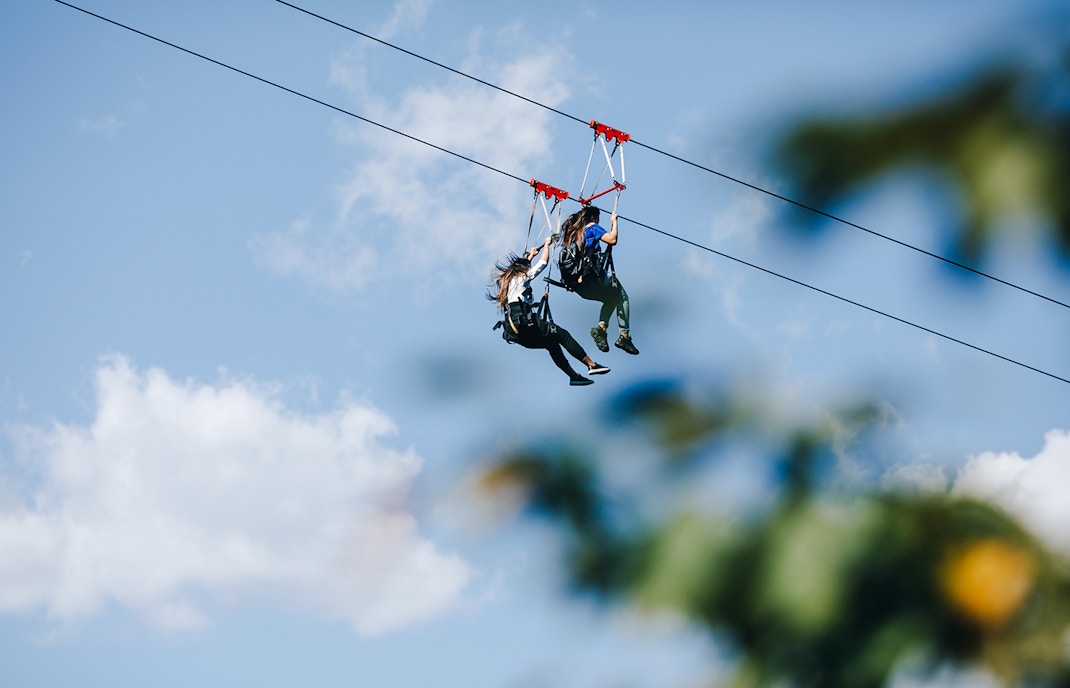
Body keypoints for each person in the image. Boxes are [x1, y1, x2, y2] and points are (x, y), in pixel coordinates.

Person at [490, 236, 611, 386]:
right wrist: (547, 245)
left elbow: (523, 270)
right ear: (522, 270)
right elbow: (543, 263)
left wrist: (530, 256)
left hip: (517, 333)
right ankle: (591, 365)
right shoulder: (521, 279)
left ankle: (574, 376)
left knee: (552, 344)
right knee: (563, 335)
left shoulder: (510, 284)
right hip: (526, 325)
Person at [559, 205, 639, 355]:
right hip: (592, 279)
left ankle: (601, 329)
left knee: (611, 299)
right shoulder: (592, 227)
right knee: (622, 296)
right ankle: (624, 336)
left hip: (579, 286)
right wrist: (614, 222)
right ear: (593, 218)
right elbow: (612, 239)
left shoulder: (574, 234)